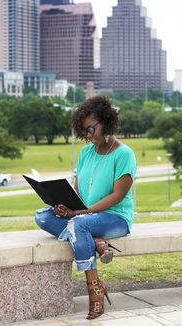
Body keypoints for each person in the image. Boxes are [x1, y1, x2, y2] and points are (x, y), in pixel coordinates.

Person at [35, 95, 137, 320]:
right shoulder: (85, 154)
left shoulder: (123, 154)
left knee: (79, 225)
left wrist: (80, 213)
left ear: (106, 121)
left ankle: (95, 291)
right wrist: (65, 207)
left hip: (115, 217)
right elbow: (78, 192)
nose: (89, 135)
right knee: (42, 216)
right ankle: (98, 242)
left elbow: (118, 196)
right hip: (84, 217)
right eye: (85, 131)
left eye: (92, 129)